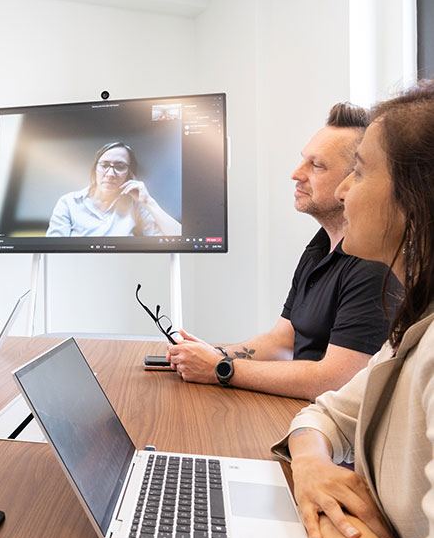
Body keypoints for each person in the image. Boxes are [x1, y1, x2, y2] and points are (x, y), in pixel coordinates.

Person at [271, 81, 434, 538]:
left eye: (359, 172)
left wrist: (333, 515)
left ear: (417, 198)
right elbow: (324, 416)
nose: (343, 191)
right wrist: (315, 470)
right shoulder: (414, 325)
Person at [166, 103, 396, 400]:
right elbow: (281, 342)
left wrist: (220, 368)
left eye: (317, 165)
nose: (296, 174)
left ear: (355, 180)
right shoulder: (319, 247)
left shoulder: (374, 266)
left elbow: (336, 379)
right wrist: (211, 354)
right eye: (304, 160)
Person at [45, 141, 182, 237]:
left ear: (130, 174)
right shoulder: (69, 202)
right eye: (104, 165)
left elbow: (180, 239)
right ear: (95, 169)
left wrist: (148, 202)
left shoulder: (136, 205)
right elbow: (51, 252)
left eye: (120, 166)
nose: (110, 174)